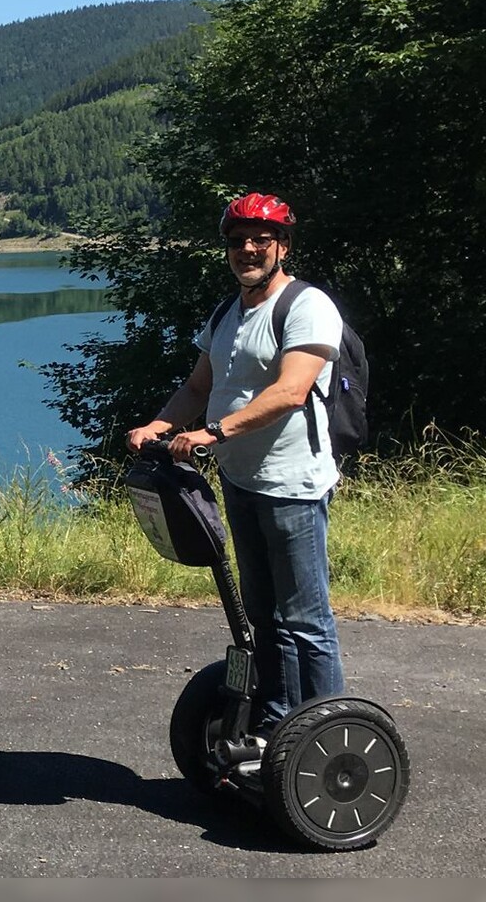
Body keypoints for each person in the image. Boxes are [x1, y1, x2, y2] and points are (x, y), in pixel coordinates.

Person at [125, 192, 347, 746]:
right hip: (242, 482)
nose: (247, 249)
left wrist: (211, 433)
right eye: (237, 241)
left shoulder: (306, 306)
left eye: (260, 240)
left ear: (283, 246)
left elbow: (291, 391)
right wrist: (160, 425)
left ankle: (327, 737)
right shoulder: (228, 312)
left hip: (292, 486)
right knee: (263, 618)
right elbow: (199, 387)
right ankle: (276, 729)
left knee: (305, 621)